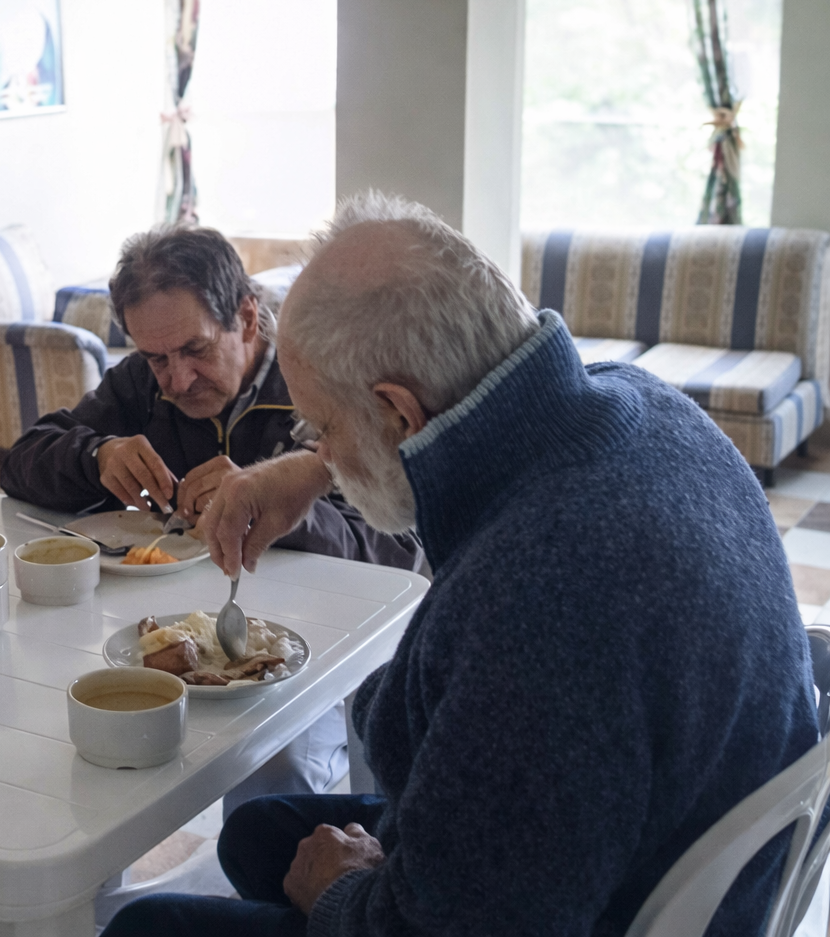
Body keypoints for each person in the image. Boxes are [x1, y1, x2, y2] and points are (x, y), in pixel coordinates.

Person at [102, 193, 819, 937]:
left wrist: (342, 897)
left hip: (621, 903)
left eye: (324, 426)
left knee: (147, 927)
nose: (325, 448)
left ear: (399, 415)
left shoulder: (541, 594)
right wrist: (316, 469)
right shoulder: (639, 401)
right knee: (260, 833)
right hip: (666, 818)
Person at [1, 226, 424, 810]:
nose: (176, 381)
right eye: (155, 358)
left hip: (319, 642)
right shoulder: (144, 386)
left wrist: (281, 503)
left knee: (272, 781)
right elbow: (23, 459)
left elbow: (397, 552)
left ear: (248, 319)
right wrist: (97, 456)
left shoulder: (322, 384)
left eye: (196, 350)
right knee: (75, 735)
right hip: (183, 623)